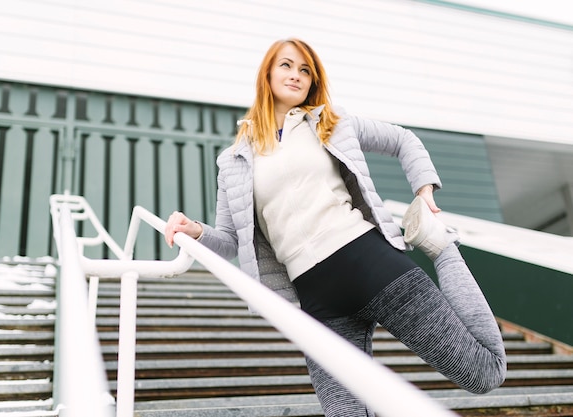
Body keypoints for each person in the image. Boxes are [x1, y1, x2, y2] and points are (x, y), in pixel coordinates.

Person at [165, 38, 506, 417]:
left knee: (483, 373)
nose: (296, 75)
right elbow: (230, 241)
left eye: (306, 70)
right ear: (267, 73)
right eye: (287, 65)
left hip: (373, 265)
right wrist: (193, 230)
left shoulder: (331, 122)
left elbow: (404, 140)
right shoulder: (233, 160)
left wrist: (424, 191)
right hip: (317, 298)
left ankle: (444, 249)